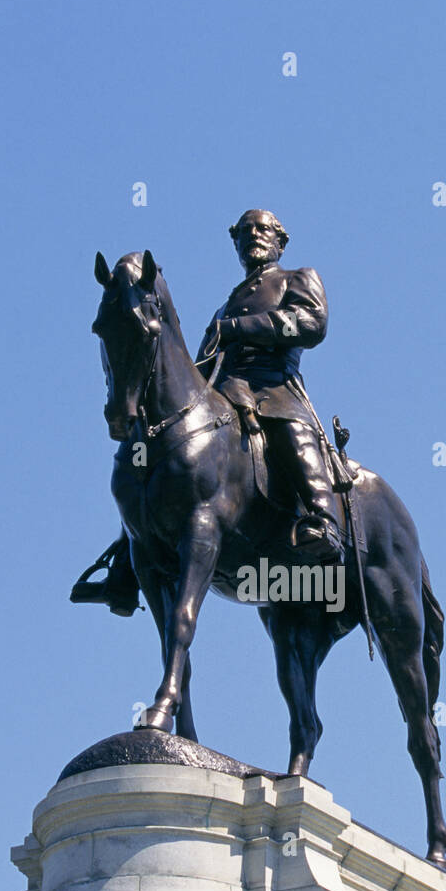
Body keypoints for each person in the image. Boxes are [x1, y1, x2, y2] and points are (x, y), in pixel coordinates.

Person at [71, 209, 341, 617]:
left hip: (273, 388)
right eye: (245, 232)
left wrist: (240, 329)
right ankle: (126, 563)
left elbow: (310, 325)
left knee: (291, 432)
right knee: (159, 457)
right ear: (234, 243)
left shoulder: (296, 279)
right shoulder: (227, 303)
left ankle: (323, 520)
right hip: (223, 392)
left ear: (280, 241)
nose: (254, 236)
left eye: (263, 229)